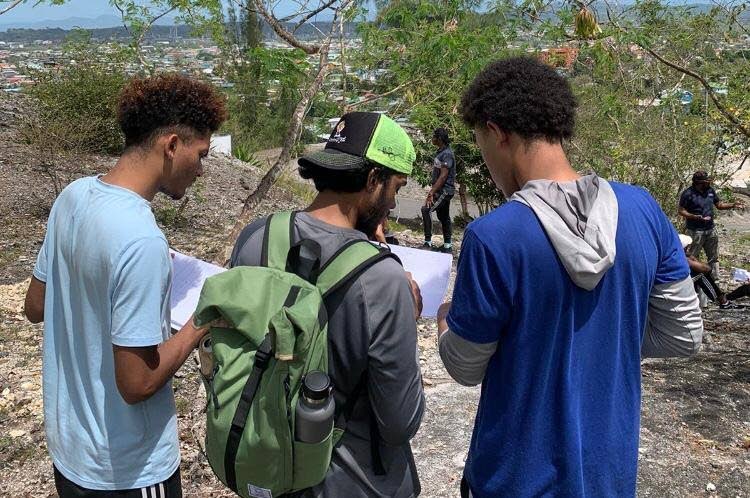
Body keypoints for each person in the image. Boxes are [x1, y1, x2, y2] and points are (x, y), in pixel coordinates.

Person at [436, 57, 704, 497]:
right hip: (609, 477)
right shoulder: (643, 211)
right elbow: (684, 336)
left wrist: (446, 321)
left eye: (481, 142)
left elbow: (465, 367)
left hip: (512, 479)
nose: (485, 160)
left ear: (498, 132)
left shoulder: (492, 237)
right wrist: (605, 334)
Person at [23, 74, 227, 497]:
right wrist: (202, 321)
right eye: (200, 154)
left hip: (71, 451)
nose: (202, 171)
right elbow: (137, 384)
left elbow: (37, 306)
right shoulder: (141, 239)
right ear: (171, 145)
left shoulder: (73, 197)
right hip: (128, 470)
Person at [230, 111, 425, 498]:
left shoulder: (256, 237)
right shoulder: (383, 279)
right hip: (350, 482)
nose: (392, 202)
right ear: (372, 180)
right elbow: (400, 421)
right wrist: (409, 316)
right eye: (395, 187)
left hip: (265, 465)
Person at [678, 170, 744, 276]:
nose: (708, 183)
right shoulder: (688, 194)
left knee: (713, 257)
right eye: (706, 181)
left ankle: (715, 281)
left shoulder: (710, 191)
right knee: (693, 258)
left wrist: (733, 205)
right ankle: (693, 282)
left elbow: (719, 205)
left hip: (711, 230)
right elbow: (681, 210)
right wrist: (693, 216)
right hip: (695, 231)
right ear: (699, 182)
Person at [680, 234, 748, 309]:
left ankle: (725, 298)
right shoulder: (684, 259)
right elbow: (707, 269)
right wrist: (692, 258)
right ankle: (723, 301)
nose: (689, 247)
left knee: (745, 288)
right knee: (701, 275)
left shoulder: (676, 255)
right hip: (679, 281)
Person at [421, 127, 456, 253]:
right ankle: (447, 246)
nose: (432, 139)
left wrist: (432, 192)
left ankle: (428, 243)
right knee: (443, 216)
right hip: (442, 190)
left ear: (439, 139)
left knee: (426, 209)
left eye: (434, 137)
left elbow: (443, 176)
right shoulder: (441, 152)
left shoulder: (447, 154)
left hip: (444, 190)